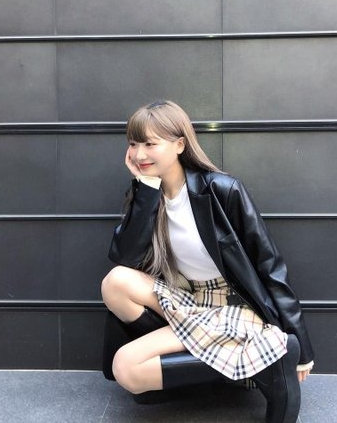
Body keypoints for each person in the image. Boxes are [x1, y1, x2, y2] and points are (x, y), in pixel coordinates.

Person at [101, 100, 314, 423]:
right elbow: (126, 257)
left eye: (150, 144)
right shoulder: (147, 193)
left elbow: (270, 265)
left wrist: (302, 345)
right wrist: (146, 191)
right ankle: (248, 358)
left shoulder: (222, 190)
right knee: (115, 282)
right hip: (189, 300)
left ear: (179, 145)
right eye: (133, 144)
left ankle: (273, 362)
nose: (139, 154)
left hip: (232, 306)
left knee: (127, 368)